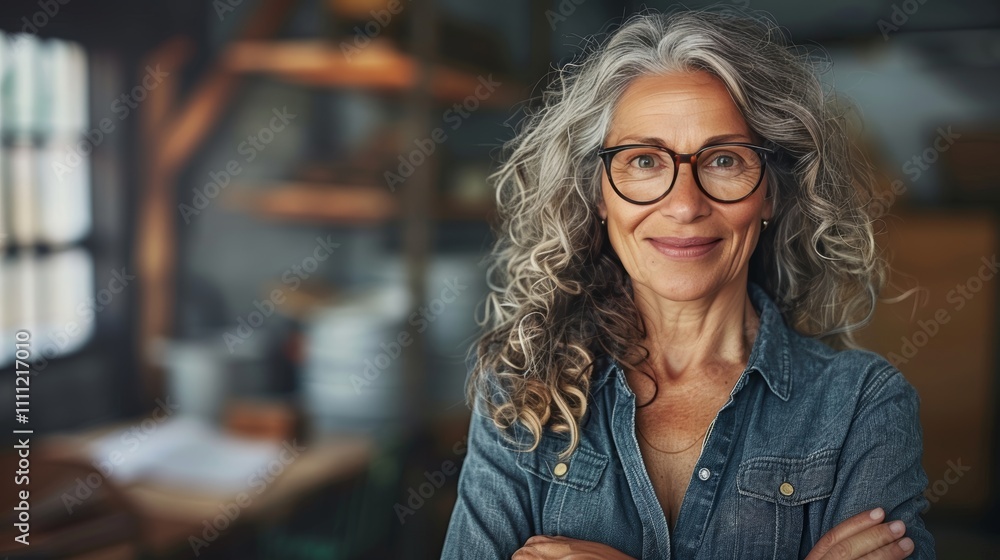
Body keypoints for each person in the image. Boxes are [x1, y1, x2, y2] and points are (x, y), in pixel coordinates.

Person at [441, 8, 933, 560]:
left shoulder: (860, 405)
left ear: (770, 192)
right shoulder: (523, 393)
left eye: (723, 159)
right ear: (599, 195)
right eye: (644, 160)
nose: (683, 204)